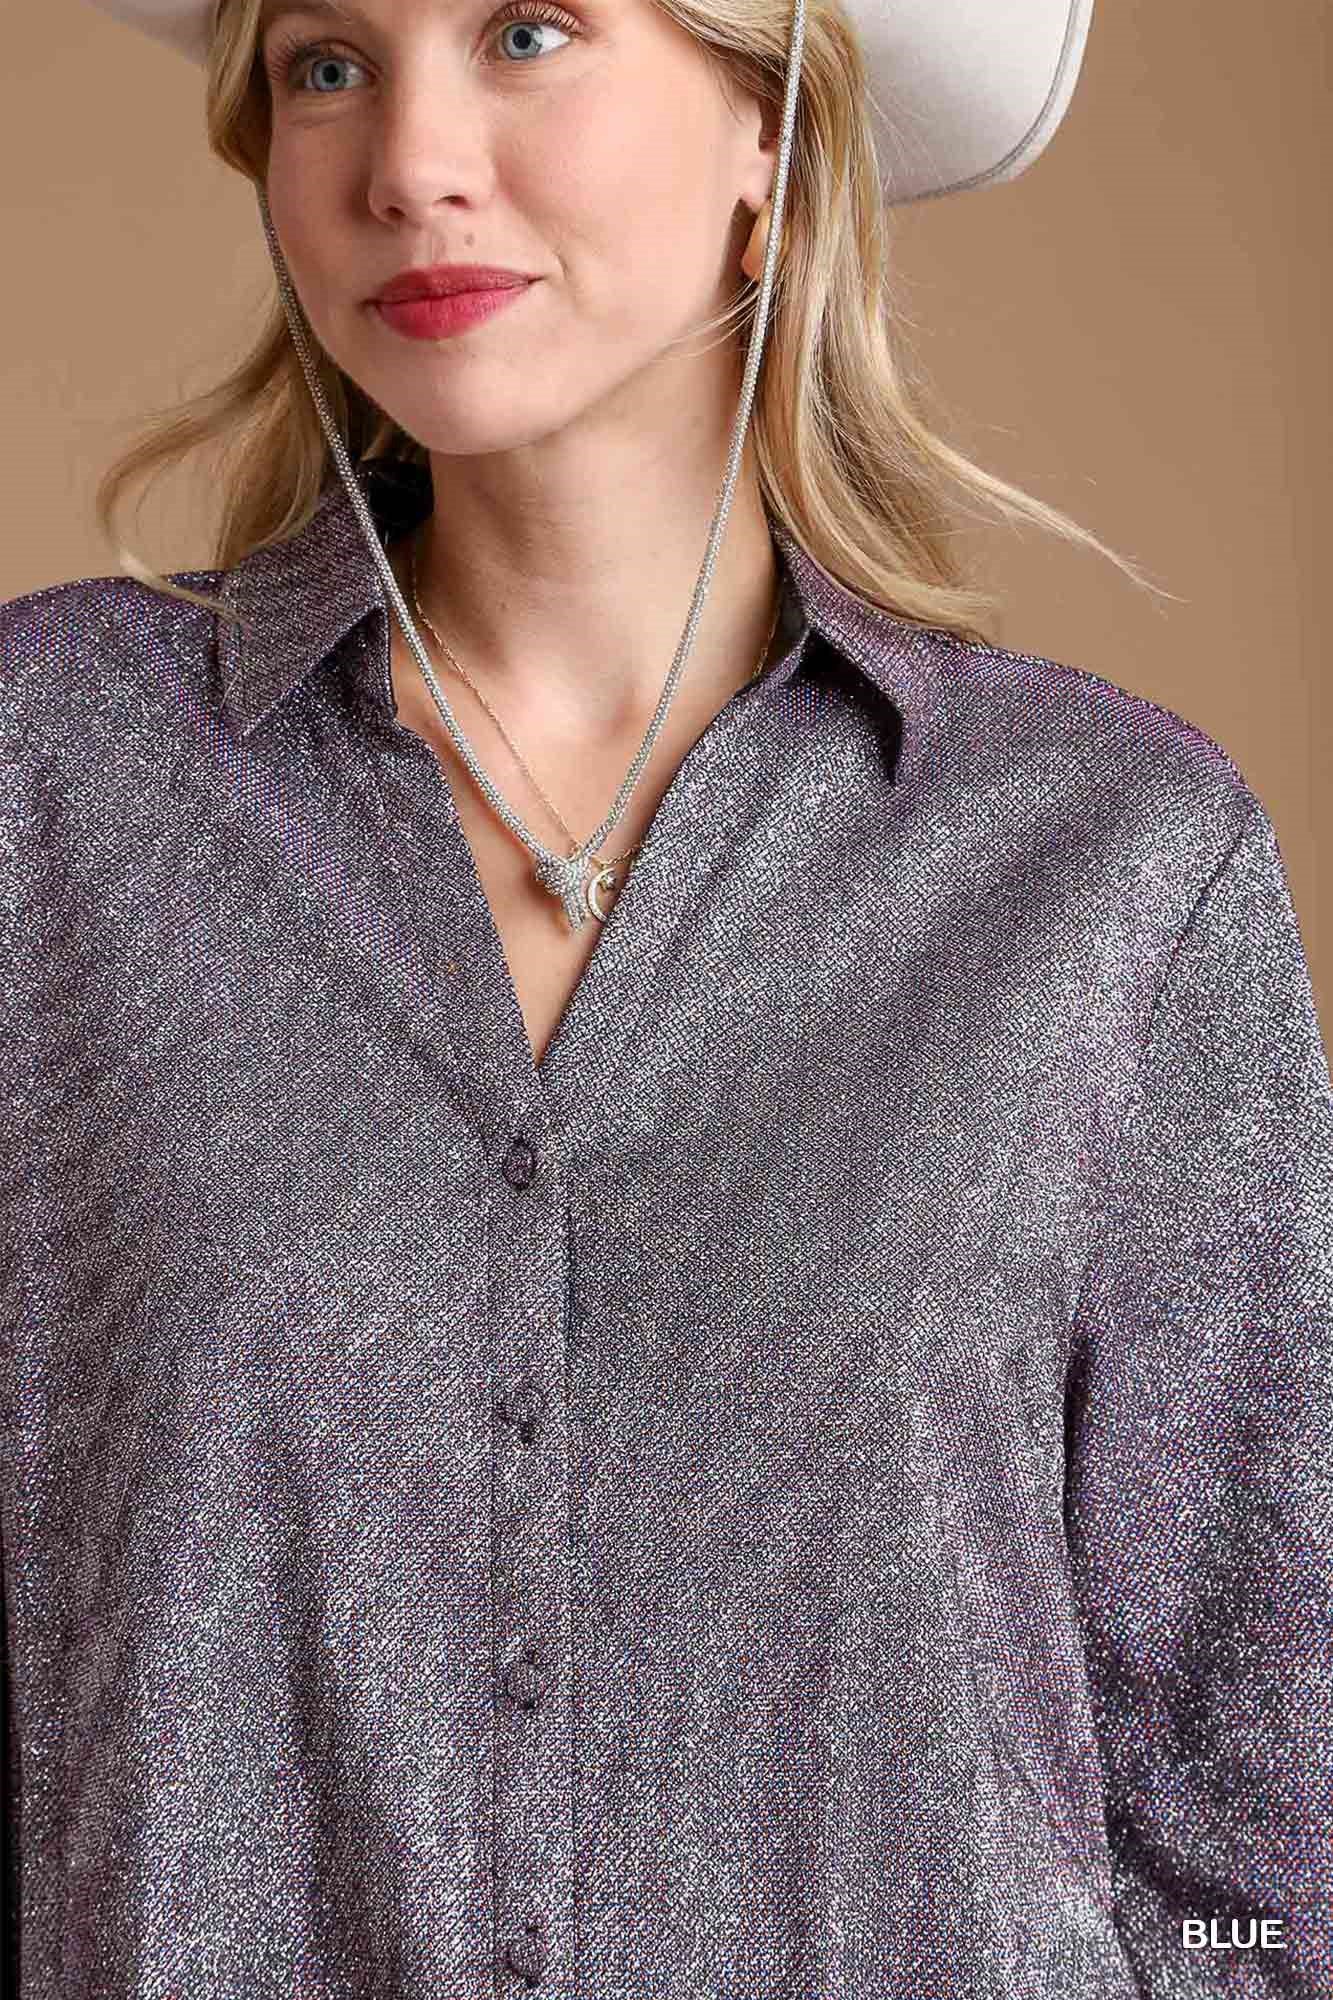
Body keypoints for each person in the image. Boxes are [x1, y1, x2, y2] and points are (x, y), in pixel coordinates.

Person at [1, 0, 1328, 1994]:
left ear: (766, 135)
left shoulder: (1113, 868)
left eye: (526, 29)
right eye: (325, 63)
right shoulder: (49, 786)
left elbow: (1252, 1789)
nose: (407, 161)